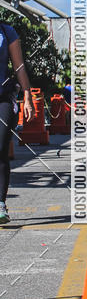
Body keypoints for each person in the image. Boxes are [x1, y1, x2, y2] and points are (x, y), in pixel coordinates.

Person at [0, 21, 33, 223]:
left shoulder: (7, 31)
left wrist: (27, 96)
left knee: (0, 146)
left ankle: (0, 204)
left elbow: (19, 66)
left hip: (3, 98)